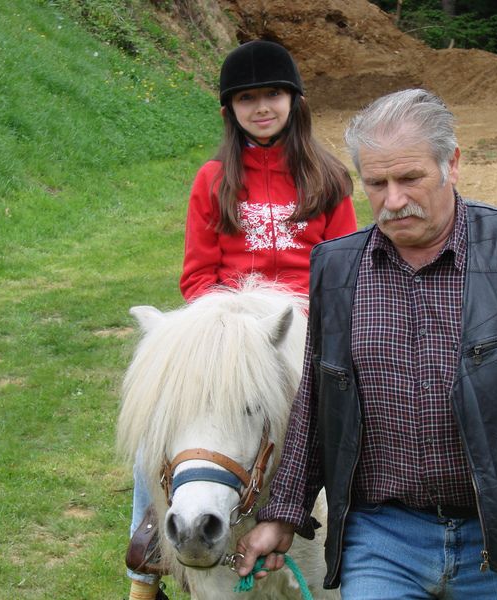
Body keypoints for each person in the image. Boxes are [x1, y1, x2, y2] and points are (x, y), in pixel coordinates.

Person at [235, 88, 497, 599]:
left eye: (410, 178)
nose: (393, 201)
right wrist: (284, 512)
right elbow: (317, 401)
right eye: (376, 183)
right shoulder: (335, 268)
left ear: (452, 164)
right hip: (381, 536)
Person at [125, 40, 356, 600]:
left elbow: (344, 265)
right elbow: (198, 274)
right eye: (247, 98)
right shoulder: (213, 179)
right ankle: (146, 558)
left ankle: (362, 532)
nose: (261, 108)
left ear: (293, 100)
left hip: (303, 326)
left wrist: (305, 321)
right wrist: (227, 325)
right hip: (228, 330)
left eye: (272, 95)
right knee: (153, 438)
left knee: (354, 419)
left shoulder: (327, 178)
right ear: (230, 109)